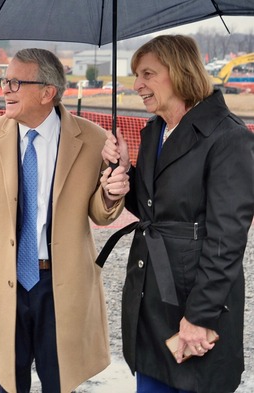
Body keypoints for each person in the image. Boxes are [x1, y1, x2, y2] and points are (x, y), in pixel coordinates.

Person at [0, 48, 128, 393]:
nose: (4, 89)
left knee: (60, 382)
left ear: (47, 92)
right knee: (10, 381)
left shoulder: (93, 139)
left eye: (14, 82)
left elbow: (100, 212)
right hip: (6, 283)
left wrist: (111, 192)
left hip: (61, 284)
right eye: (4, 81)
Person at [100, 35, 254, 393]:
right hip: (150, 299)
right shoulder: (155, 132)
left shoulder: (228, 137)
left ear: (180, 73)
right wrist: (126, 170)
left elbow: (226, 240)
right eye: (136, 75)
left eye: (148, 74)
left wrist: (199, 317)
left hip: (196, 304)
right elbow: (155, 209)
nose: (137, 85)